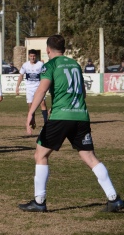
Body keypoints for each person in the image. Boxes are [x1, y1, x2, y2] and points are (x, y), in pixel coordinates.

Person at [18, 35, 123, 213]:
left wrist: (30, 113)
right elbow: (83, 93)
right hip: (81, 115)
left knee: (40, 154)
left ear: (48, 50)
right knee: (90, 157)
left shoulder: (50, 65)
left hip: (61, 117)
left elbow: (42, 89)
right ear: (64, 49)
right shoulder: (75, 64)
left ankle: (39, 201)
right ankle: (114, 199)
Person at [15, 49, 48, 128]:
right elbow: (21, 75)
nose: (32, 58)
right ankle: (32, 120)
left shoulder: (40, 64)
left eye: (34, 56)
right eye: (31, 56)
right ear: (29, 56)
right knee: (30, 106)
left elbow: (46, 75)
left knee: (42, 103)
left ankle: (46, 122)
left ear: (36, 56)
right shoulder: (25, 65)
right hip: (29, 88)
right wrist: (17, 86)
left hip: (39, 87)